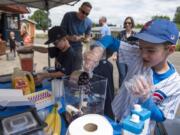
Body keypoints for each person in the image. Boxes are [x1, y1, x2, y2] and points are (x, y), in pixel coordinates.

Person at [84, 19, 180, 134]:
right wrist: (98, 49)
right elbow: (110, 40)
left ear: (170, 49)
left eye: (150, 50)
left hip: (139, 129)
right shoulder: (137, 55)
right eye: (141, 47)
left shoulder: (174, 84)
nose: (143, 54)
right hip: (118, 114)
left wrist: (146, 98)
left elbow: (162, 116)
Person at [60, 2, 93, 70]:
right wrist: (70, 38)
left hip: (78, 48)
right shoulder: (68, 16)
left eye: (87, 14)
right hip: (64, 46)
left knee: (77, 70)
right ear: (79, 9)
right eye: (83, 12)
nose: (84, 15)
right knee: (63, 70)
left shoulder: (89, 22)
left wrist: (86, 39)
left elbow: (87, 36)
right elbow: (60, 33)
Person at [117, 16, 136, 86]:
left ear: (132, 24)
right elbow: (117, 45)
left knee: (129, 75)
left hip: (131, 59)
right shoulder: (120, 33)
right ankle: (121, 93)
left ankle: (127, 93)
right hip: (121, 58)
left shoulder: (135, 35)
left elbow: (137, 47)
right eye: (126, 23)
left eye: (129, 23)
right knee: (122, 75)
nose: (127, 24)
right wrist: (115, 54)